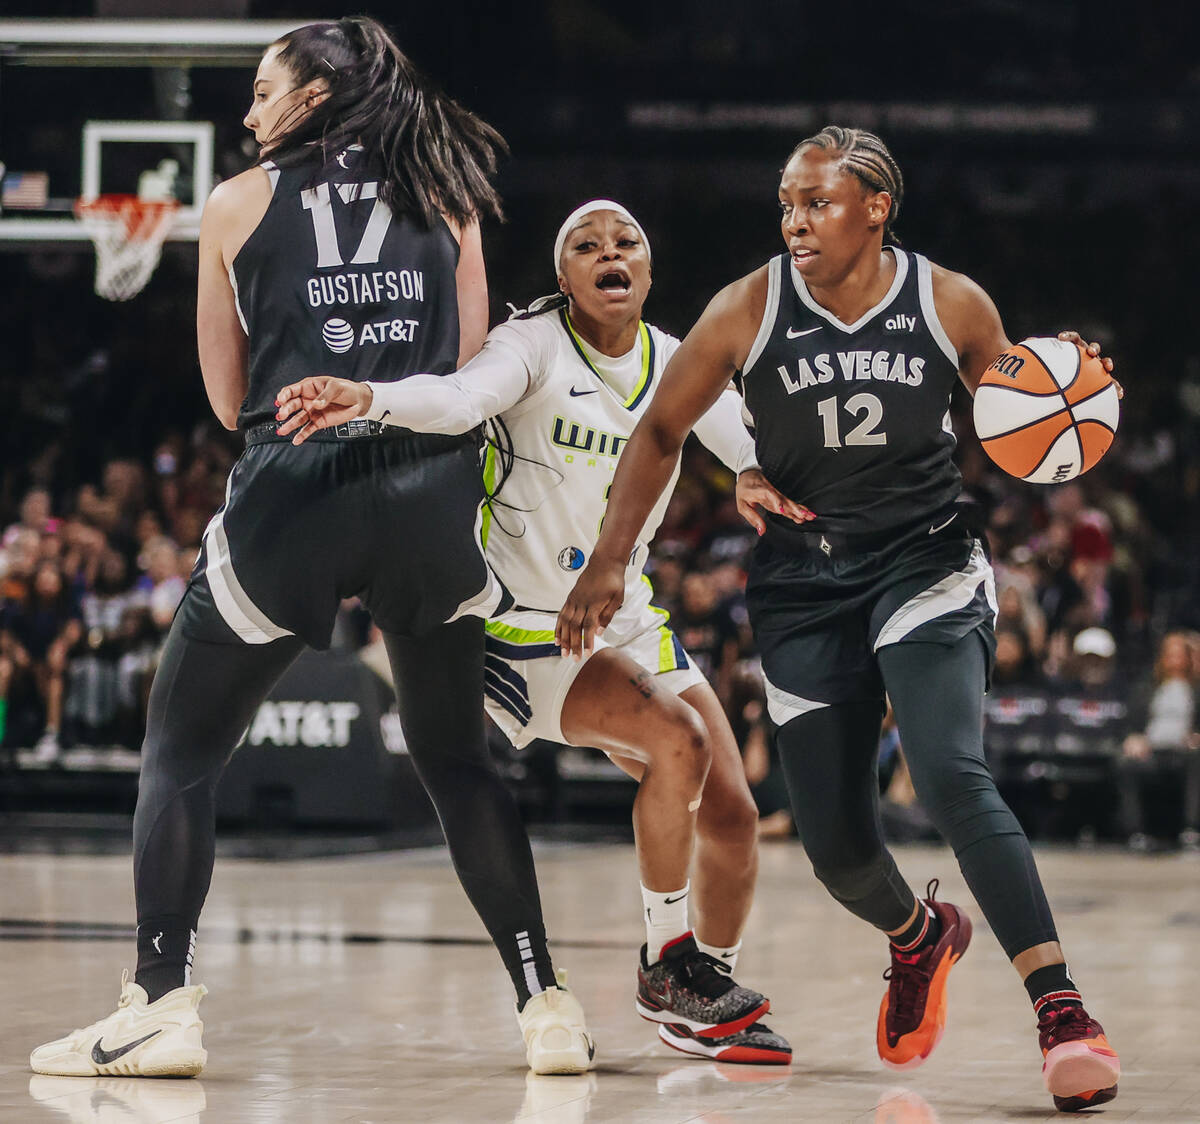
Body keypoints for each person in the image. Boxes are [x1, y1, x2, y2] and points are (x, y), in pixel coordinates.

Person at [30, 18, 592, 1080]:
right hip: (429, 501)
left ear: (316, 95)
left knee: (182, 750)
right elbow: (466, 371)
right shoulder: (449, 184)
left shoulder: (237, 202)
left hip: (296, 496)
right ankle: (546, 1002)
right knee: (456, 760)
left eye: (261, 89)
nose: (247, 113)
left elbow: (229, 395)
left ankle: (158, 1003)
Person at [555, 127, 1122, 1112]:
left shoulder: (950, 302)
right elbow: (659, 427)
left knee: (950, 772)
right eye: (786, 203)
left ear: (874, 207)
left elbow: (1020, 420)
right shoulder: (747, 306)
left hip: (925, 563)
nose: (795, 219)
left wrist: (1069, 395)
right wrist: (609, 559)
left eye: (817, 201)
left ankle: (1062, 1007)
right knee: (837, 848)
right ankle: (918, 935)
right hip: (803, 586)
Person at [275, 200, 796, 1064]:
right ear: (564, 278)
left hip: (626, 619)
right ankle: (668, 964)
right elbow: (456, 398)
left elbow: (750, 442)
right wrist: (367, 397)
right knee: (679, 743)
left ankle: (699, 998)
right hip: (529, 628)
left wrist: (756, 472)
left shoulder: (675, 360)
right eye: (586, 246)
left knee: (735, 817)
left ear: (649, 270)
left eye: (626, 241)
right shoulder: (533, 345)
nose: (609, 253)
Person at [1117, 630, 1200, 851]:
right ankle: (1135, 833)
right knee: (1126, 763)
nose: (1173, 659)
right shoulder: (1147, 688)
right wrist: (1134, 739)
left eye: (1179, 654)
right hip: (1152, 752)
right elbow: (1131, 725)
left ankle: (1191, 830)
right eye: (1169, 654)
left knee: (1196, 758)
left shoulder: (1196, 690)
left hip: (1185, 752)